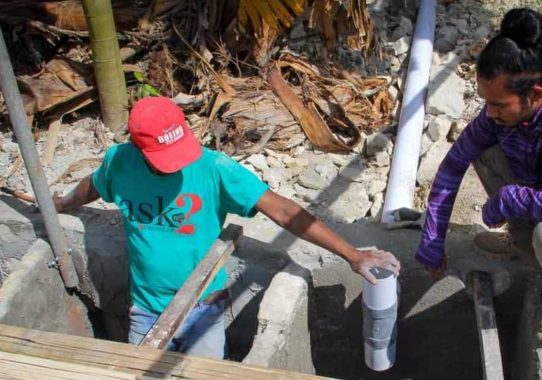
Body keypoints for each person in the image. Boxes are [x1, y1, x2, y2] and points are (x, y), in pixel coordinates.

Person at [54, 96, 400, 358]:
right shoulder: (120, 161)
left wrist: (352, 253)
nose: (176, 166)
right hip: (145, 309)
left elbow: (282, 210)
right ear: (138, 148)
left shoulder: (213, 168)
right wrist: (63, 203)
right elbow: (95, 183)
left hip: (202, 306)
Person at [417, 8, 542, 279]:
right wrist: (432, 240)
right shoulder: (494, 118)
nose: (489, 113)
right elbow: (452, 167)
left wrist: (511, 198)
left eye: (498, 105)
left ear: (534, 95)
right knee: (483, 149)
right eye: (486, 103)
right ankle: (525, 243)